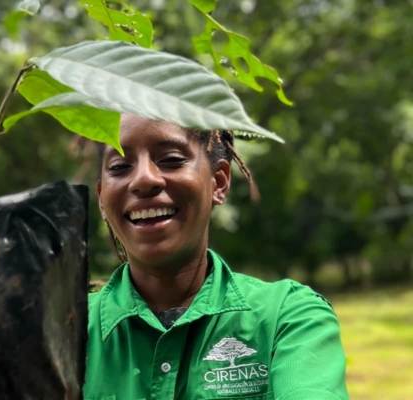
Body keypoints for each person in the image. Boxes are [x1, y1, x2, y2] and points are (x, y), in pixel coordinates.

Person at [83, 114, 349, 399]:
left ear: (219, 182)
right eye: (120, 166)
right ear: (101, 198)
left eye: (171, 159)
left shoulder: (288, 317)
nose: (144, 179)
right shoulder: (64, 330)